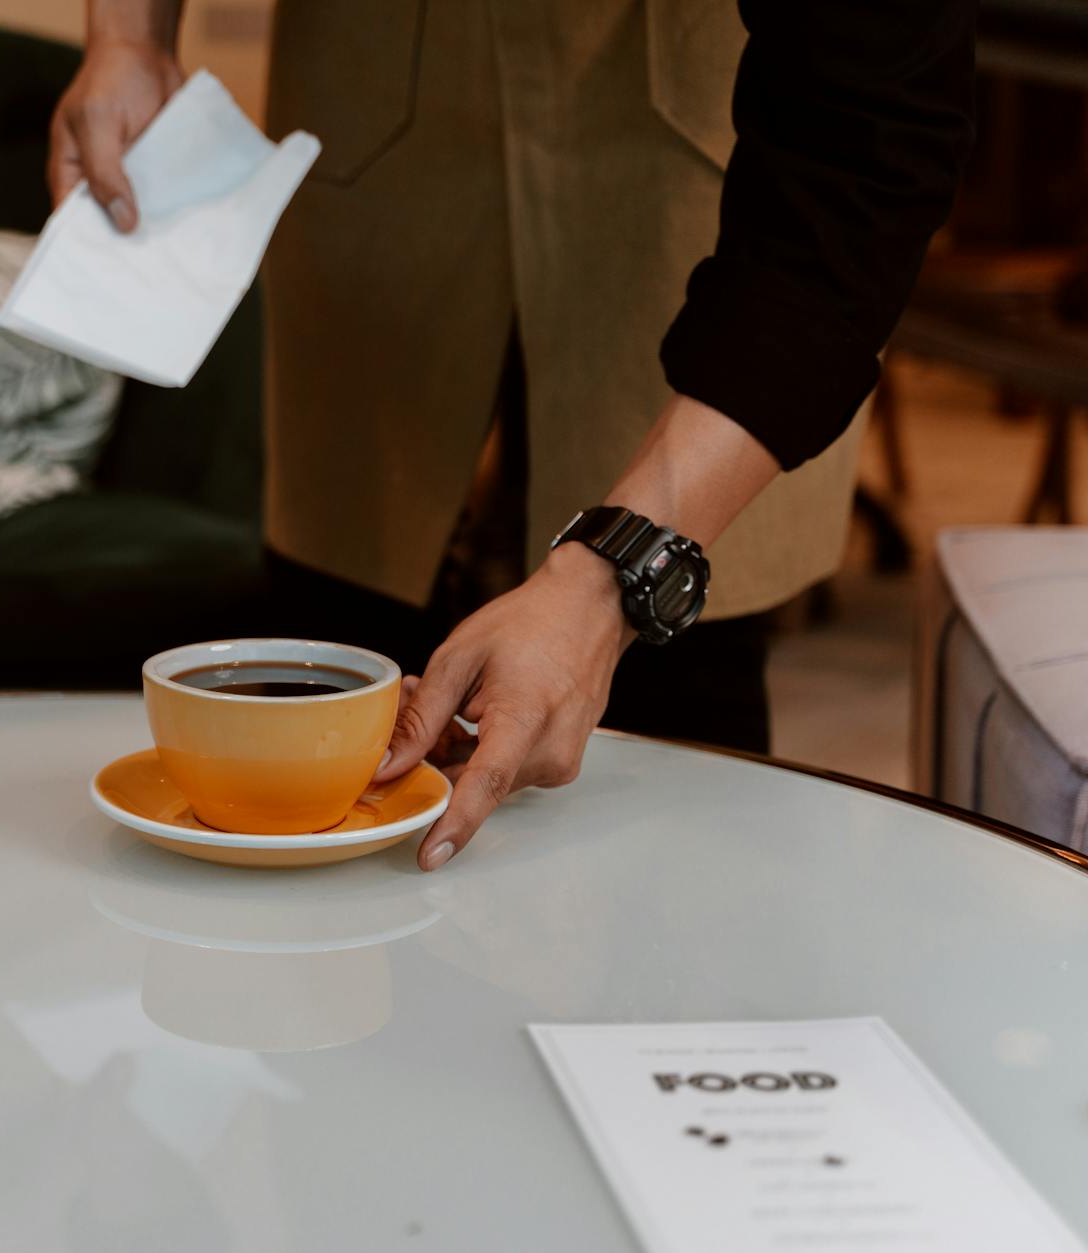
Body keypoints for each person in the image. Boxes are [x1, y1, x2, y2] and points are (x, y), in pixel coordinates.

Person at [48, 0, 975, 869]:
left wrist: (622, 571)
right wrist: (130, 34)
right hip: (376, 102)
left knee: (664, 764)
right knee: (339, 644)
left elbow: (866, 143)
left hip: (682, 152)